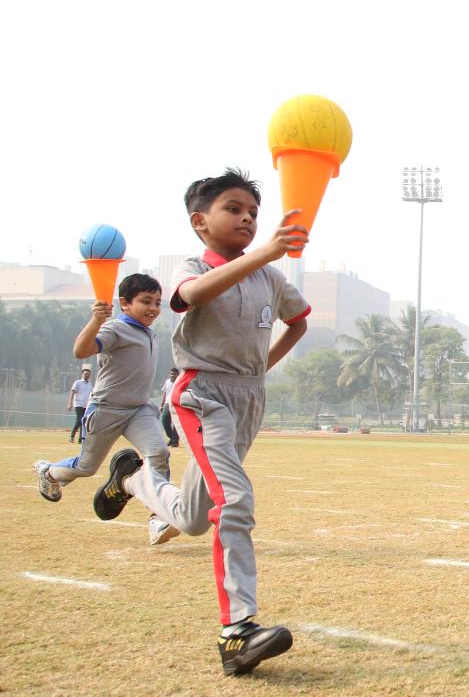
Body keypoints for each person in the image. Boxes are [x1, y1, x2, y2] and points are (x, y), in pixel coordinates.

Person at [92, 169, 310, 676]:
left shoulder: (270, 277)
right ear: (200, 221)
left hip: (247, 398)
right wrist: (265, 253)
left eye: (253, 213)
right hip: (201, 395)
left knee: (192, 518)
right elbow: (189, 296)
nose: (248, 219)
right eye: (234, 209)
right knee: (233, 499)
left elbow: (298, 321)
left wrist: (259, 371)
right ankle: (237, 632)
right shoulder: (193, 267)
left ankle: (131, 477)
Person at [33, 275, 172, 545]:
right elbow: (81, 350)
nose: (153, 308)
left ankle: (158, 517)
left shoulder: (148, 331)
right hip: (107, 409)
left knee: (158, 453)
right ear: (125, 303)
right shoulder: (116, 328)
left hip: (139, 410)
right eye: (146, 301)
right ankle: (49, 472)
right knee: (87, 467)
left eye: (157, 302)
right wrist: (97, 320)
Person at [66, 366, 93, 443]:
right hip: (78, 404)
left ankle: (81, 439)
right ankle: (72, 436)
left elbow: (91, 395)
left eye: (88, 374)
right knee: (79, 420)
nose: (87, 375)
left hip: (86, 405)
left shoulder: (90, 384)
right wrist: (69, 403)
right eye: (85, 374)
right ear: (82, 374)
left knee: (84, 422)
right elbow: (72, 393)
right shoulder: (77, 382)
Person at [160, 367, 180, 447]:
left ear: (178, 375)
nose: (172, 375)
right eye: (171, 374)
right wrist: (161, 405)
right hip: (167, 404)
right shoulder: (167, 382)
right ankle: (171, 438)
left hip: (177, 404)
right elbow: (164, 394)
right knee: (164, 421)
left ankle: (175, 441)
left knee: (176, 423)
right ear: (169, 375)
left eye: (174, 374)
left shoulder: (180, 382)